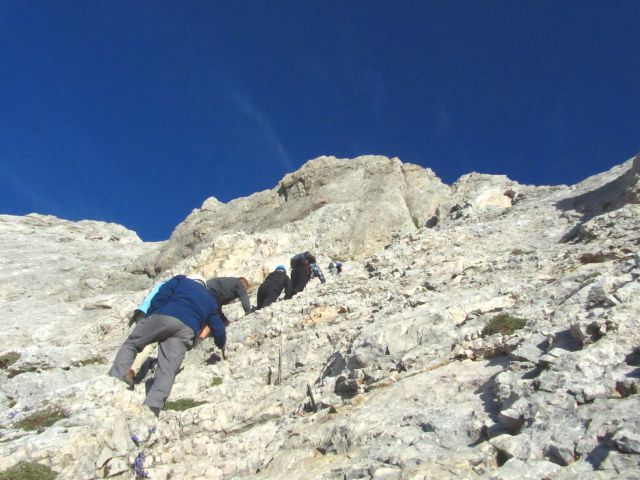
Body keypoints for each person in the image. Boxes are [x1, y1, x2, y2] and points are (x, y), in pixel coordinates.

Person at [108, 274, 225, 416]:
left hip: (165, 316)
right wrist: (221, 343)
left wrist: (152, 314)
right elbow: (217, 325)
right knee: (168, 368)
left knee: (132, 344)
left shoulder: (181, 280)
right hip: (187, 330)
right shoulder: (210, 299)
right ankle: (153, 407)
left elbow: (162, 294)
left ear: (192, 279)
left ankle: (114, 381)